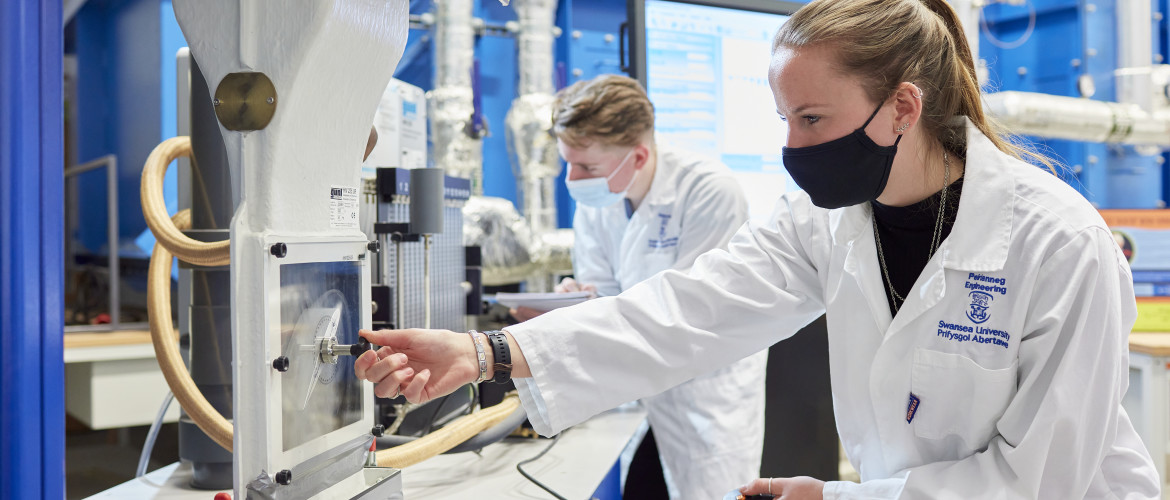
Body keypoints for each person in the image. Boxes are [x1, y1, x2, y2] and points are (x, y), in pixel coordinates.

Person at [353, 0, 1163, 497]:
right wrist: (485, 350)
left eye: (811, 120)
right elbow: (687, 313)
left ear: (901, 108)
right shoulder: (826, 224)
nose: (792, 146)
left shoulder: (1058, 245)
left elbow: (1040, 486)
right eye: (784, 120)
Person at [510, 74, 769, 500]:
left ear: (638, 155)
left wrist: (594, 314)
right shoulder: (599, 199)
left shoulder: (708, 192)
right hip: (634, 385)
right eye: (568, 163)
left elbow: (694, 317)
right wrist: (575, 304)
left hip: (701, 394)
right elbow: (607, 293)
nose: (573, 179)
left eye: (587, 167)